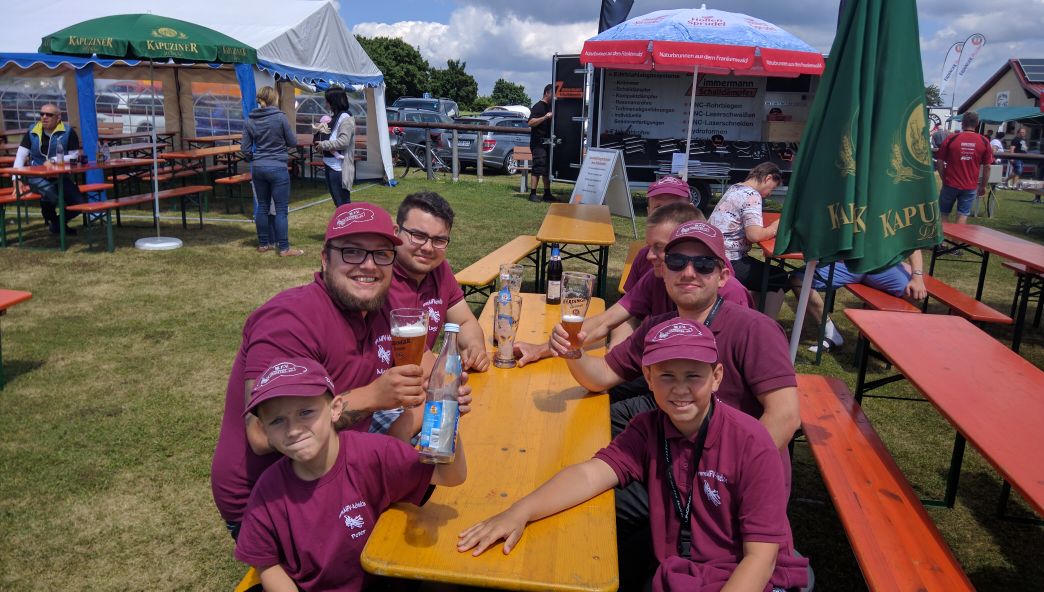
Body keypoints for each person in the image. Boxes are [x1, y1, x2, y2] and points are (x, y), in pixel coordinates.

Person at [457, 319, 808, 591]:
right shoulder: (647, 428)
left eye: (693, 376)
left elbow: (760, 559)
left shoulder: (752, 442)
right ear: (648, 378)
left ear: (716, 377)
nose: (680, 388)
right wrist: (519, 511)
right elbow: (590, 474)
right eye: (667, 375)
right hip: (680, 572)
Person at [548, 220, 800, 587]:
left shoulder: (754, 329)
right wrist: (574, 352)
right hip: (673, 471)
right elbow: (600, 376)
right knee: (587, 507)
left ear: (723, 275)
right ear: (664, 271)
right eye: (678, 261)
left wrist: (717, 473)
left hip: (732, 490)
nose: (689, 272)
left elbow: (785, 416)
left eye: (704, 264)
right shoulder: (660, 328)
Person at [211, 203, 456, 539]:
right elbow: (261, 435)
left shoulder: (378, 307)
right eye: (352, 252)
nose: (368, 265)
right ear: (325, 259)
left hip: (337, 469)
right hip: (272, 502)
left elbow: (427, 367)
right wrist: (373, 397)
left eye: (381, 254)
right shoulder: (289, 322)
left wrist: (446, 383)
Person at [236, 357, 467, 591]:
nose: (293, 430)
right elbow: (266, 563)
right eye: (277, 421)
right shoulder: (268, 492)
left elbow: (450, 476)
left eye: (305, 412)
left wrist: (448, 419)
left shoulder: (373, 453)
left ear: (336, 409)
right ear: (264, 430)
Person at [512, 202, 752, 368]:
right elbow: (606, 321)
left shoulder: (730, 293)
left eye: (659, 248)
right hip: (660, 375)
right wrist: (541, 349)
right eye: (649, 246)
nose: (649, 255)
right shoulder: (657, 277)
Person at [388, 191, 490, 372]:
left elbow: (464, 322)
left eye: (439, 240)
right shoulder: (379, 277)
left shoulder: (440, 270)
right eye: (418, 235)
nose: (428, 248)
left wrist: (474, 348)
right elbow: (416, 360)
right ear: (396, 233)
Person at [790, 251, 927, 352]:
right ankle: (830, 333)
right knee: (798, 280)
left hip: (881, 265)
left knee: (913, 292)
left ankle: (891, 343)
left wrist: (917, 277)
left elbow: (912, 241)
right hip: (846, 264)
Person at [707, 162, 788, 315]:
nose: (770, 193)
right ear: (767, 178)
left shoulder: (735, 188)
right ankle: (765, 324)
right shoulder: (752, 195)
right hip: (729, 261)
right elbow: (755, 235)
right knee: (778, 277)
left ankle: (752, 314)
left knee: (764, 276)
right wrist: (775, 227)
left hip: (713, 255)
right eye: (772, 188)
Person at [242, 86, 302, 257]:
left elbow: (245, 148)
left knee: (262, 206)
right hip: (277, 167)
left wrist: (253, 158)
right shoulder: (280, 118)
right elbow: (292, 142)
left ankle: (263, 244)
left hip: (258, 167)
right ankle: (284, 248)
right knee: (281, 210)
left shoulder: (250, 119)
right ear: (274, 99)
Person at [12, 103, 84, 234]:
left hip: (60, 176)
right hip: (36, 176)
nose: (44, 117)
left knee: (79, 203)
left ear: (58, 117)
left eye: (49, 115)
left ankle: (56, 224)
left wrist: (53, 160)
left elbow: (74, 157)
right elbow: (20, 156)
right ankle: (55, 222)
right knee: (51, 194)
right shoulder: (32, 131)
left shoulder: (68, 132)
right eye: (42, 114)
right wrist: (16, 179)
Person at [623, 176, 697, 293]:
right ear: (649, 213)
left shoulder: (708, 261)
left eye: (674, 207)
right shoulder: (645, 257)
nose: (666, 215)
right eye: (658, 208)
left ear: (691, 210)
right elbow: (629, 299)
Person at [936, 111, 993, 225]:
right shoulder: (984, 141)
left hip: (950, 183)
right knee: (962, 214)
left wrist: (944, 178)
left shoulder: (951, 138)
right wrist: (983, 186)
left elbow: (940, 161)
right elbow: (987, 167)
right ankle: (957, 237)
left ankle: (943, 237)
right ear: (977, 123)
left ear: (962, 123)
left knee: (943, 213)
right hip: (970, 186)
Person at [317, 88, 355, 206]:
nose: (326, 104)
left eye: (327, 101)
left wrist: (323, 144)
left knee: (343, 205)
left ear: (333, 101)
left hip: (338, 168)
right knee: (339, 205)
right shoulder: (335, 116)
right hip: (330, 164)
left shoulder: (345, 117)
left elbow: (344, 142)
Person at [527, 84, 554, 203]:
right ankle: (532, 194)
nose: (554, 96)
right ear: (547, 93)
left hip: (548, 143)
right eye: (553, 93)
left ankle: (547, 194)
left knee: (546, 169)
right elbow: (530, 122)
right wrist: (545, 117)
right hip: (538, 143)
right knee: (538, 168)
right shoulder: (538, 106)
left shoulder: (550, 106)